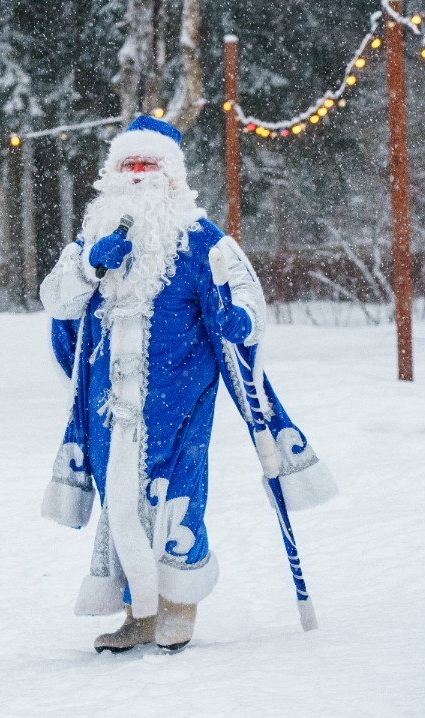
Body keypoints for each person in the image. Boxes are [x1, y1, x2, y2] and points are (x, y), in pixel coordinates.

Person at [39, 116, 337, 653]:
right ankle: (136, 613)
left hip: (178, 396)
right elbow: (57, 300)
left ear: (171, 175)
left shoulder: (201, 240)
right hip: (108, 403)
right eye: (126, 166)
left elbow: (242, 293)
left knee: (176, 496)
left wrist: (241, 321)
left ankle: (178, 605)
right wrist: (88, 266)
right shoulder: (91, 239)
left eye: (147, 166)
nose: (136, 175)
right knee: (120, 502)